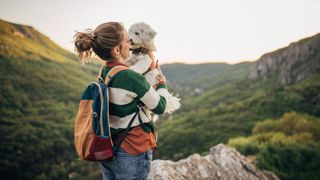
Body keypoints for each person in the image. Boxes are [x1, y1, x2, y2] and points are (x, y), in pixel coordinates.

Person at [74, 22, 168, 180]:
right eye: (126, 40)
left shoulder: (104, 71)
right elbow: (160, 107)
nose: (129, 43)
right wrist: (161, 83)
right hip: (133, 150)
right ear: (117, 50)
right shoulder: (131, 77)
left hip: (109, 148)